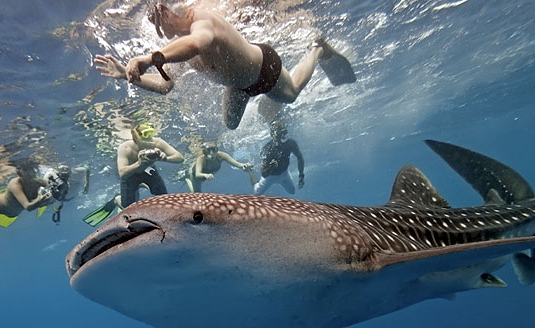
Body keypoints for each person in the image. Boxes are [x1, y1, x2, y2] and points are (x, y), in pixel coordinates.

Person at [95, 4, 354, 130]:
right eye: (157, 26)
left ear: (177, 11)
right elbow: (165, 85)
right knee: (231, 124)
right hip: (238, 87)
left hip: (264, 67)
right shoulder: (175, 47)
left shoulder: (201, 18)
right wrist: (127, 76)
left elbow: (198, 42)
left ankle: (317, 48)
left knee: (293, 93)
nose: (161, 31)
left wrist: (149, 58)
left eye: (163, 22)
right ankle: (263, 100)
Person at [83, 123, 183, 226]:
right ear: (136, 137)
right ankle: (117, 200)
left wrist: (165, 158)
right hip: (130, 173)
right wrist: (139, 164)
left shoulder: (158, 143)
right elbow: (122, 173)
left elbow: (180, 158)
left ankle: (143, 187)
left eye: (151, 133)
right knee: (129, 209)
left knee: (164, 198)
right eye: (145, 134)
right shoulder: (125, 147)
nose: (149, 138)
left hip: (148, 169)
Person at [253, 123, 305, 196]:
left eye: (283, 133)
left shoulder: (290, 143)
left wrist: (301, 176)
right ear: (272, 135)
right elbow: (264, 174)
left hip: (285, 173)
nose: (282, 137)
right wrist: (270, 168)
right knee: (257, 192)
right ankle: (250, 172)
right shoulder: (266, 149)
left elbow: (300, 158)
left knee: (292, 191)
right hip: (269, 178)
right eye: (279, 134)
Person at [185, 142, 256, 193]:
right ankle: (187, 179)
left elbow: (238, 164)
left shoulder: (221, 155)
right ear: (204, 152)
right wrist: (206, 175)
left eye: (214, 150)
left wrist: (245, 165)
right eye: (208, 150)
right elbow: (197, 174)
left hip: (207, 174)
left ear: (217, 150)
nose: (211, 153)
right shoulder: (201, 159)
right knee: (197, 193)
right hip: (195, 175)